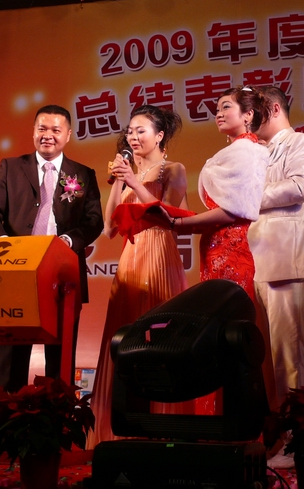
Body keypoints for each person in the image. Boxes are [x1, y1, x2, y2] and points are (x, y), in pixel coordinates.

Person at [0, 104, 104, 392]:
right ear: (33, 131)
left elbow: (94, 221)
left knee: (60, 362)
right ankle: (7, 412)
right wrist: (5, 244)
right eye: (42, 129)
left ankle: (55, 415)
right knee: (11, 361)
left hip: (63, 275)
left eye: (55, 130)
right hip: (15, 272)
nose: (48, 135)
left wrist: (68, 242)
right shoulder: (10, 167)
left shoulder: (83, 174)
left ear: (68, 135)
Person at [88, 104, 191, 446]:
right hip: (130, 259)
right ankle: (118, 427)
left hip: (159, 254)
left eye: (141, 130)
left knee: (158, 337)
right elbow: (109, 229)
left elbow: (168, 217)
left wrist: (134, 181)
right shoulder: (128, 172)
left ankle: (163, 425)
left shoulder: (173, 169)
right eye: (130, 131)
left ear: (159, 136)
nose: (132, 136)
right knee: (126, 337)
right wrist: (120, 181)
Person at [248, 86, 304, 403]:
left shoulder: (301, 142)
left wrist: (246, 198)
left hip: (289, 259)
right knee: (263, 358)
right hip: (257, 260)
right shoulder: (254, 150)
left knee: (288, 356)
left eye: (255, 111)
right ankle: (271, 424)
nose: (249, 118)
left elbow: (299, 186)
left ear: (275, 109)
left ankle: (293, 427)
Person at [166, 87, 270, 300]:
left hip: (233, 246)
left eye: (226, 107)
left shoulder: (246, 151)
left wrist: (181, 223)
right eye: (217, 110)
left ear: (248, 115)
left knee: (227, 308)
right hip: (217, 243)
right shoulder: (241, 150)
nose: (219, 114)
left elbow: (234, 210)